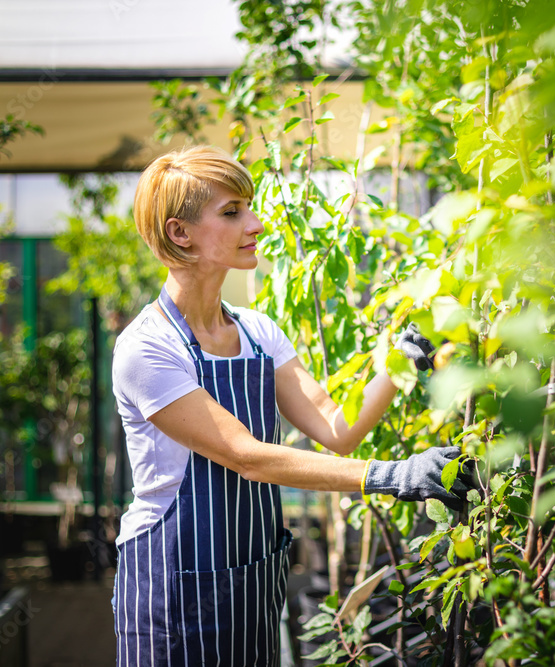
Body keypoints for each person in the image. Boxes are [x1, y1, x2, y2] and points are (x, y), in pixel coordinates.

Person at [111, 145, 471, 667]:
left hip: (252, 574)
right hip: (173, 583)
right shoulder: (148, 348)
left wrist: (402, 361)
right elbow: (245, 455)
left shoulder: (258, 332)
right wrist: (393, 475)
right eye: (232, 212)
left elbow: (335, 427)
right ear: (179, 233)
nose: (255, 223)